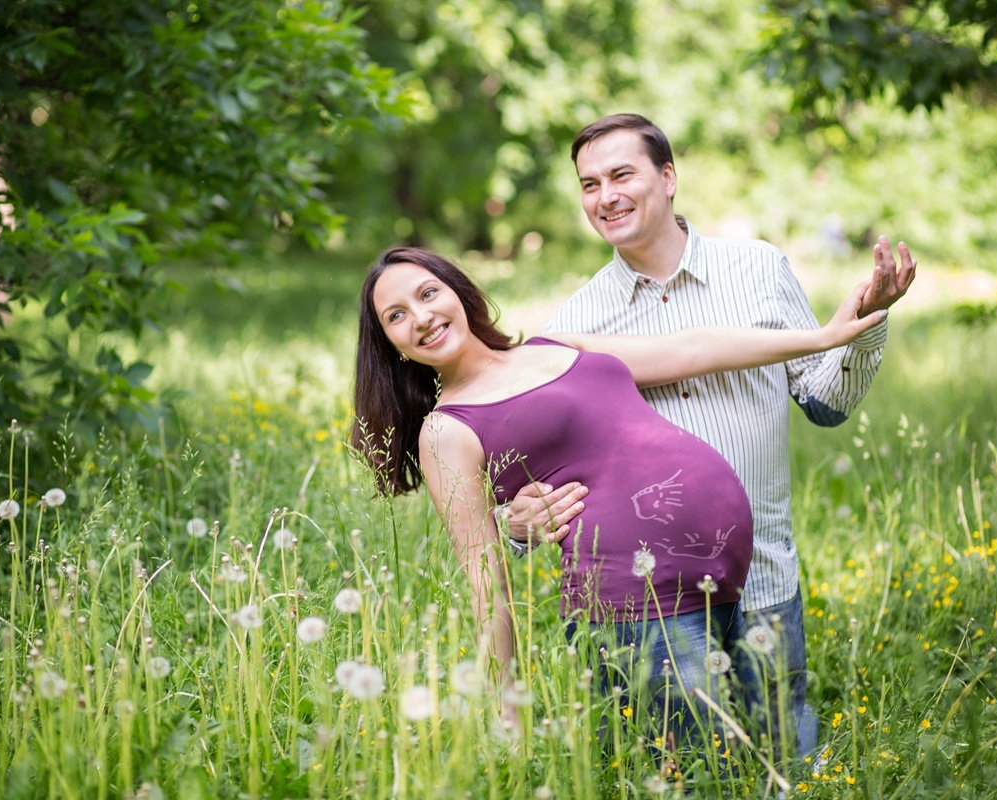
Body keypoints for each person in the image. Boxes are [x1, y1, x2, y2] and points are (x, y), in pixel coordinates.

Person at [349, 246, 889, 768]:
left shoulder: (551, 344)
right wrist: (505, 701)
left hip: (725, 582)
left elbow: (690, 350)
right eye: (397, 315)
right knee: (697, 779)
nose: (421, 317)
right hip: (635, 606)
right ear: (391, 344)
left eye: (427, 293)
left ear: (458, 293)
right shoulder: (446, 428)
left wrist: (823, 337)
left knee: (754, 766)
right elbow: (483, 572)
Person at [503, 113, 917, 761]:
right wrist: (519, 519)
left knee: (787, 761)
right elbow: (534, 472)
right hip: (651, 604)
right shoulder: (578, 321)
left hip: (763, 579)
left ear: (668, 178)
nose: (605, 196)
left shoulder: (757, 270)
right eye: (588, 184)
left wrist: (862, 323)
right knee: (679, 770)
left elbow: (825, 403)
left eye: (620, 175)